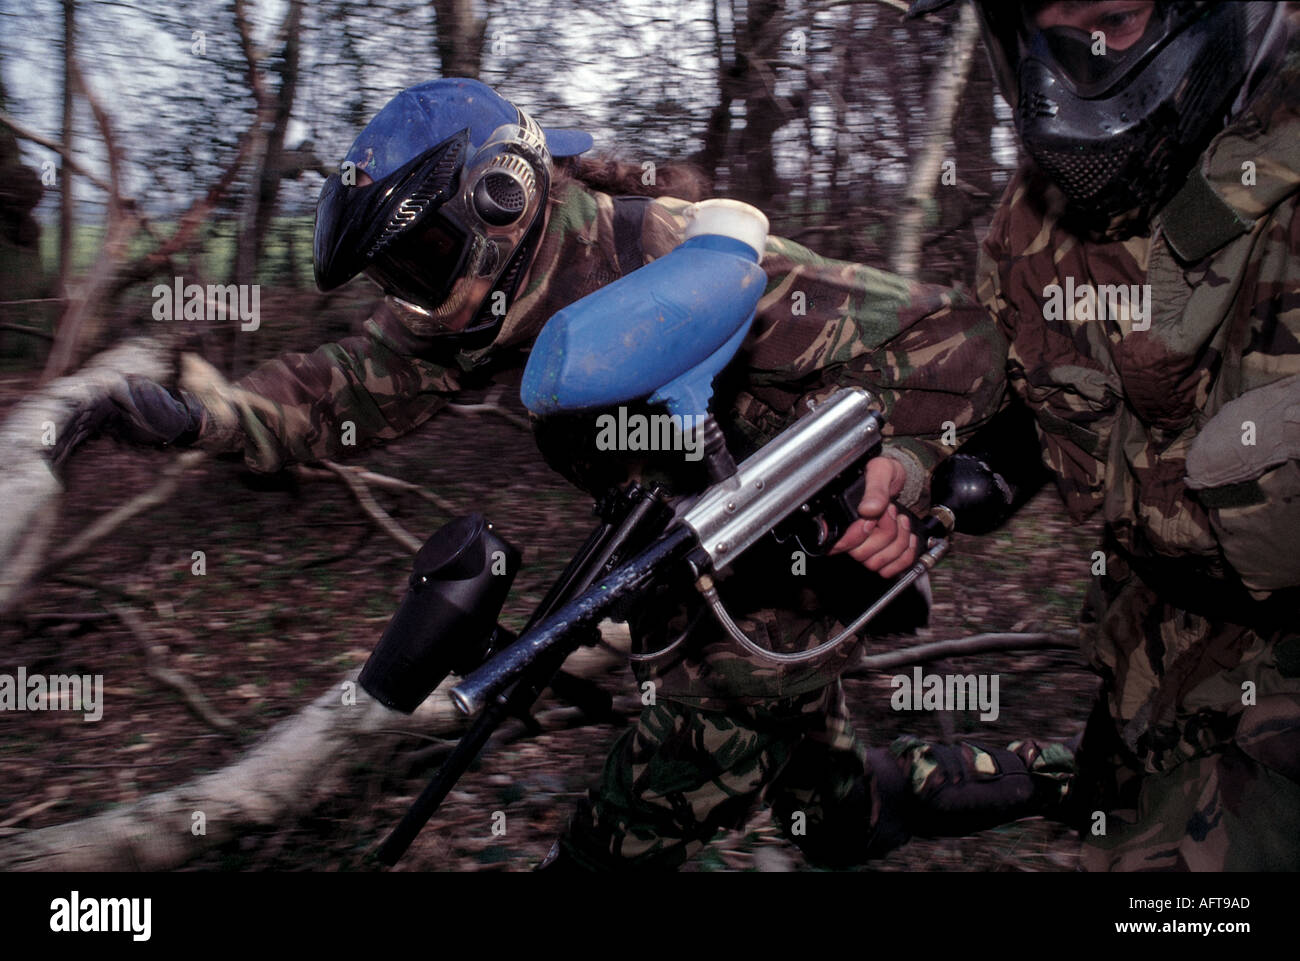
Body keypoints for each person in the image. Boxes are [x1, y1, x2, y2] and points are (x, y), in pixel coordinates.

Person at [66, 77, 1010, 870]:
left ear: (502, 195)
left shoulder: (676, 251)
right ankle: (1064, 778)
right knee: (833, 806)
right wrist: (203, 417)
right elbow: (342, 388)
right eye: (397, 273)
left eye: (425, 257)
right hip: (687, 562)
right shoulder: (474, 298)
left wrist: (905, 464)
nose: (419, 297)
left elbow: (957, 338)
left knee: (624, 831)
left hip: (782, 579)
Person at [893, 0, 1300, 871]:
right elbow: (1029, 388)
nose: (1072, 68)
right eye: (1046, 37)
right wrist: (927, 470)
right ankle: (1056, 779)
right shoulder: (1032, 225)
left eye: (1113, 18)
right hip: (1148, 660)